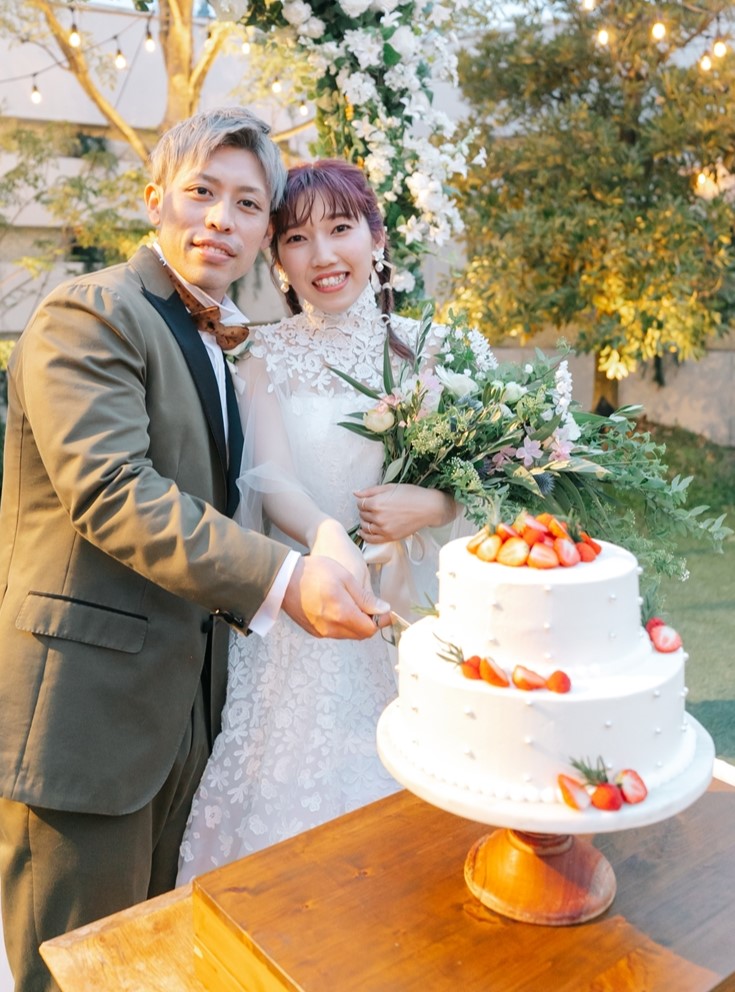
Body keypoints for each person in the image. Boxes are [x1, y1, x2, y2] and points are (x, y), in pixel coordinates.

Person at [0, 112, 390, 992]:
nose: (221, 218)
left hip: (188, 719)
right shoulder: (93, 312)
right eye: (201, 192)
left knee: (150, 967)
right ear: (155, 200)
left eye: (247, 204)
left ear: (262, 231)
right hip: (86, 723)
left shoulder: (221, 341)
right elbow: (112, 491)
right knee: (73, 973)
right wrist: (286, 578)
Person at [177, 159, 462, 882]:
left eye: (340, 229)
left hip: (406, 612)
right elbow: (270, 479)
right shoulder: (264, 354)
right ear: (277, 258)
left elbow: (484, 479)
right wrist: (326, 534)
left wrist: (434, 505)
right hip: (300, 613)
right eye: (298, 239)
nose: (323, 255)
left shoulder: (435, 350)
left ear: (376, 238)